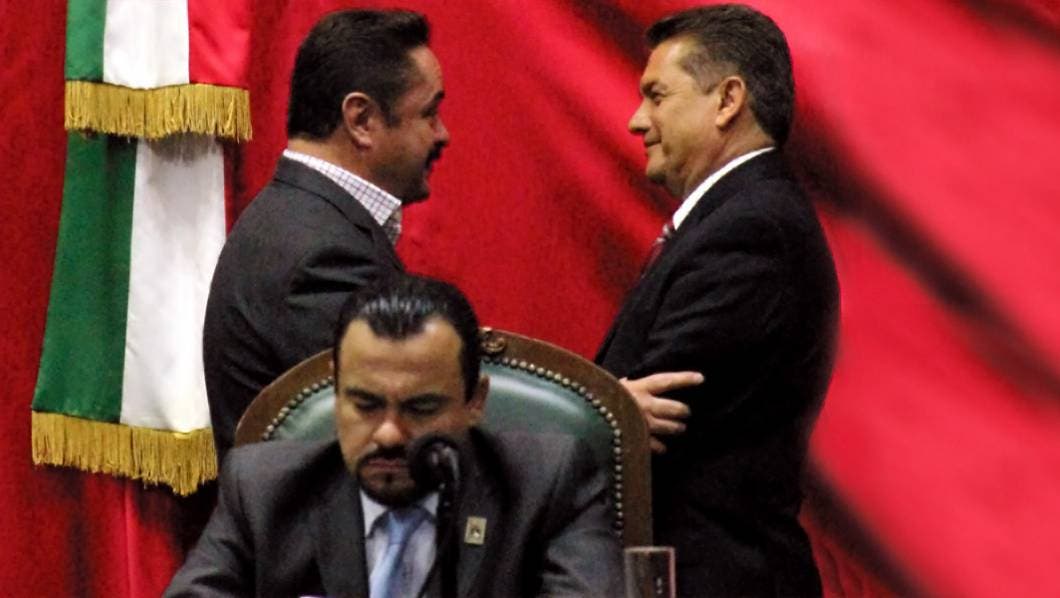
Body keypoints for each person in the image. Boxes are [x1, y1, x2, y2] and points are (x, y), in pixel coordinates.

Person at [168, 275, 623, 597]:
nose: (388, 434)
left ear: (475, 401)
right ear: (336, 392)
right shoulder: (263, 490)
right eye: (365, 405)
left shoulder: (546, 485)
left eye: (420, 408)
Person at [596, 5, 840, 596]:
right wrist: (608, 404)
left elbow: (649, 419)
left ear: (728, 100)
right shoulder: (738, 217)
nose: (636, 120)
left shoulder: (752, 230)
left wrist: (594, 409)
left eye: (656, 95)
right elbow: (625, 406)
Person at [203, 9, 451, 464]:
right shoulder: (323, 259)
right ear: (361, 120)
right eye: (429, 113)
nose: (443, 134)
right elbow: (401, 431)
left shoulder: (299, 219)